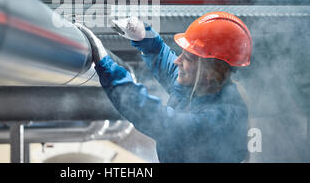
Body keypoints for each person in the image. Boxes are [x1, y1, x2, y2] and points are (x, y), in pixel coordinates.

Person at [75, 11, 252, 163]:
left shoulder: (220, 120)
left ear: (209, 73)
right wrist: (145, 37)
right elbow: (170, 69)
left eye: (188, 59)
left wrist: (107, 67)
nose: (178, 61)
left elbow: (160, 121)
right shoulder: (205, 87)